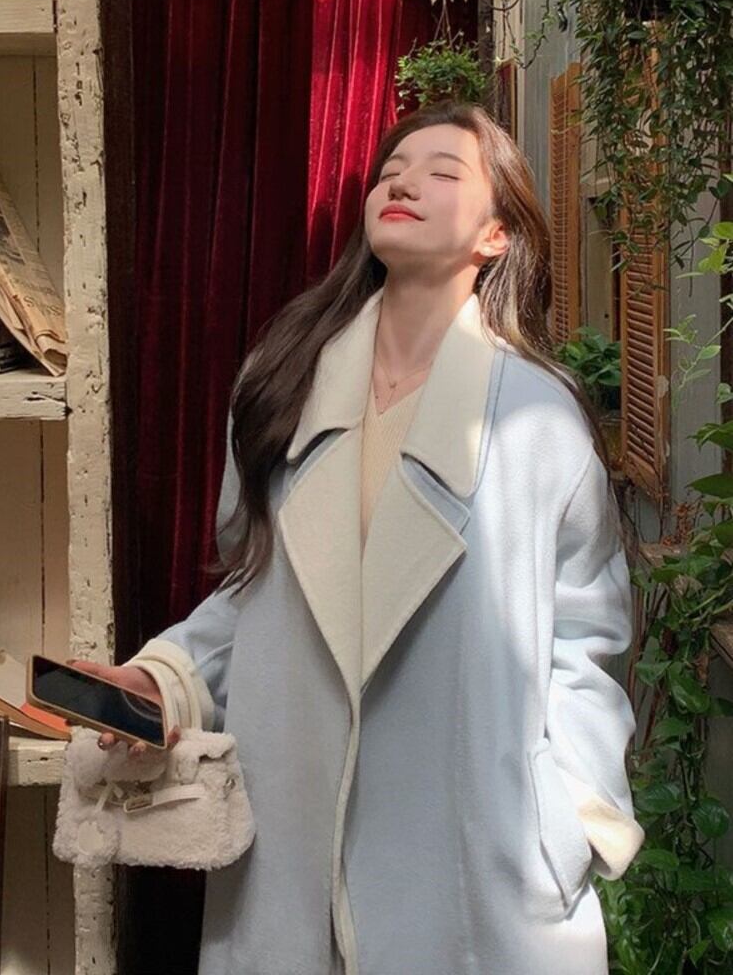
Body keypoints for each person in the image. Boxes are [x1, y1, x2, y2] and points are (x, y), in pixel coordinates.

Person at [70, 99, 645, 975]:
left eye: (442, 172)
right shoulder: (281, 385)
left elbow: (588, 639)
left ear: (496, 234)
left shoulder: (539, 419)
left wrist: (565, 826)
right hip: (289, 864)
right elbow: (253, 592)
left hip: (477, 882)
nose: (401, 184)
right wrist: (162, 681)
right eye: (390, 171)